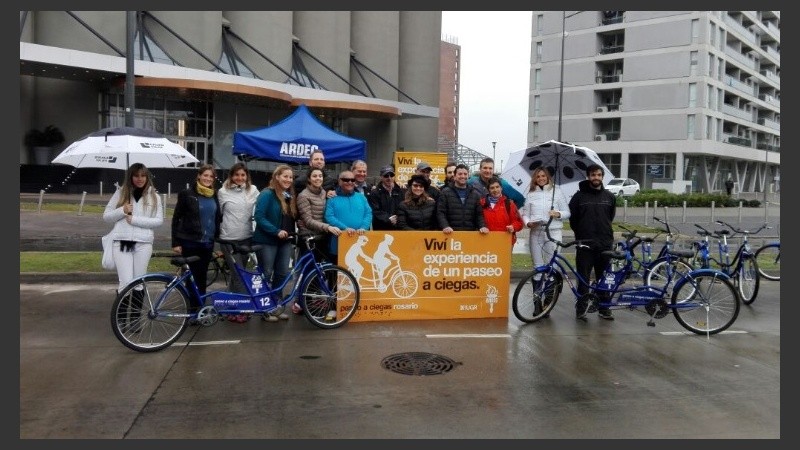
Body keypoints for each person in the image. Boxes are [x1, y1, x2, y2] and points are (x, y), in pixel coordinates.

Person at [103, 163, 164, 301]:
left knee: (139, 283)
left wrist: (135, 220)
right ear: (130, 177)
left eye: (143, 175)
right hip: (124, 242)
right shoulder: (121, 193)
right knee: (125, 283)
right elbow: (106, 217)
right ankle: (122, 321)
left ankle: (135, 321)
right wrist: (122, 210)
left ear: (147, 177)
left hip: (143, 244)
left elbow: (158, 221)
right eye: (136, 175)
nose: (140, 179)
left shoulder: (154, 197)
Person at [568, 163, 617, 321]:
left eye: (599, 175)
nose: (596, 178)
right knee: (583, 277)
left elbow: (610, 217)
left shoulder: (609, 197)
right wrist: (581, 235)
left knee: (604, 278)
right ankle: (582, 309)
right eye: (593, 175)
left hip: (604, 243)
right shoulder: (578, 197)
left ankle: (604, 308)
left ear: (602, 177)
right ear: (588, 176)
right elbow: (573, 220)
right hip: (585, 244)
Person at [171, 164, 222, 308]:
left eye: (211, 176)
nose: (208, 178)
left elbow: (216, 218)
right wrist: (175, 243)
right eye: (205, 175)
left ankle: (200, 308)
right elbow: (176, 218)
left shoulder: (214, 195)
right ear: (199, 176)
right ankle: (190, 309)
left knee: (202, 277)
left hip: (207, 243)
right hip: (189, 242)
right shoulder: (187, 194)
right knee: (190, 278)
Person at [295, 167, 343, 314]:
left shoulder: (325, 193)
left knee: (323, 271)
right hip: (309, 238)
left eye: (320, 176)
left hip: (322, 237)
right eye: (314, 176)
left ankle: (315, 302)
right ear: (309, 179)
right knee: (308, 271)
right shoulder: (303, 196)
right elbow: (308, 221)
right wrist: (328, 227)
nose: (318, 178)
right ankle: (303, 303)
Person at [253, 164, 297, 322]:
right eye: (285, 176)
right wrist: (275, 230)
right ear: (277, 176)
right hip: (267, 240)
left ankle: (276, 306)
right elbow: (259, 216)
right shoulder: (267, 194)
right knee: (266, 273)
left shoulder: (287, 195)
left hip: (284, 241)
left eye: (291, 177)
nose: (288, 179)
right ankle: (265, 309)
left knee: (282, 273)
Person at [216, 162, 260, 296]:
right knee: (239, 274)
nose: (239, 178)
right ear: (231, 176)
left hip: (246, 238)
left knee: (239, 274)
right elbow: (218, 214)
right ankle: (242, 308)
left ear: (247, 176)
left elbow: (261, 208)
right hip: (229, 239)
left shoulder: (253, 190)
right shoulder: (223, 192)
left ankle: (232, 304)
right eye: (236, 175)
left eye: (242, 175)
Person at [522, 167, 570, 270]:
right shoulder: (531, 194)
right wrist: (528, 223)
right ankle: (538, 286)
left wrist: (558, 213)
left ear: (547, 177)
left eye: (543, 176)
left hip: (553, 232)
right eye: (538, 176)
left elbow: (567, 213)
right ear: (535, 179)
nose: (541, 178)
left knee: (552, 265)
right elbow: (525, 214)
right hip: (536, 233)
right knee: (537, 266)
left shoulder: (557, 192)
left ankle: (551, 285)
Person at [324, 169, 372, 264]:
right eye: (346, 180)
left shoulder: (361, 197)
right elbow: (329, 216)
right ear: (339, 181)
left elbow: (368, 213)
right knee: (337, 273)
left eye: (352, 180)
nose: (350, 182)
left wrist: (363, 227)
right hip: (338, 242)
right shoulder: (332, 199)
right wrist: (345, 228)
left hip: (359, 239)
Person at [436, 163, 489, 234]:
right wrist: (445, 226)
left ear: (468, 176)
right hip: (450, 234)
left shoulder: (475, 194)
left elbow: (479, 214)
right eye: (460, 174)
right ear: (454, 176)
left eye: (465, 174)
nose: (463, 176)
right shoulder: (445, 192)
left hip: (469, 235)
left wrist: (482, 226)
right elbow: (440, 212)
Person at [480, 176, 523, 246]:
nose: (495, 190)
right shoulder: (482, 203)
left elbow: (519, 222)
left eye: (497, 187)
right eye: (492, 188)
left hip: (505, 241)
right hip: (487, 241)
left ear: (501, 188)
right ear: (488, 190)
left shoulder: (509, 204)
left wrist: (513, 227)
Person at [367, 165, 405, 230]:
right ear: (381, 177)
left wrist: (398, 218)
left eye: (391, 175)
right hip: (381, 228)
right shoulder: (374, 193)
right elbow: (375, 210)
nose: (389, 178)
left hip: (398, 228)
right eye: (386, 176)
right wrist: (388, 218)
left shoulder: (401, 191)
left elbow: (404, 208)